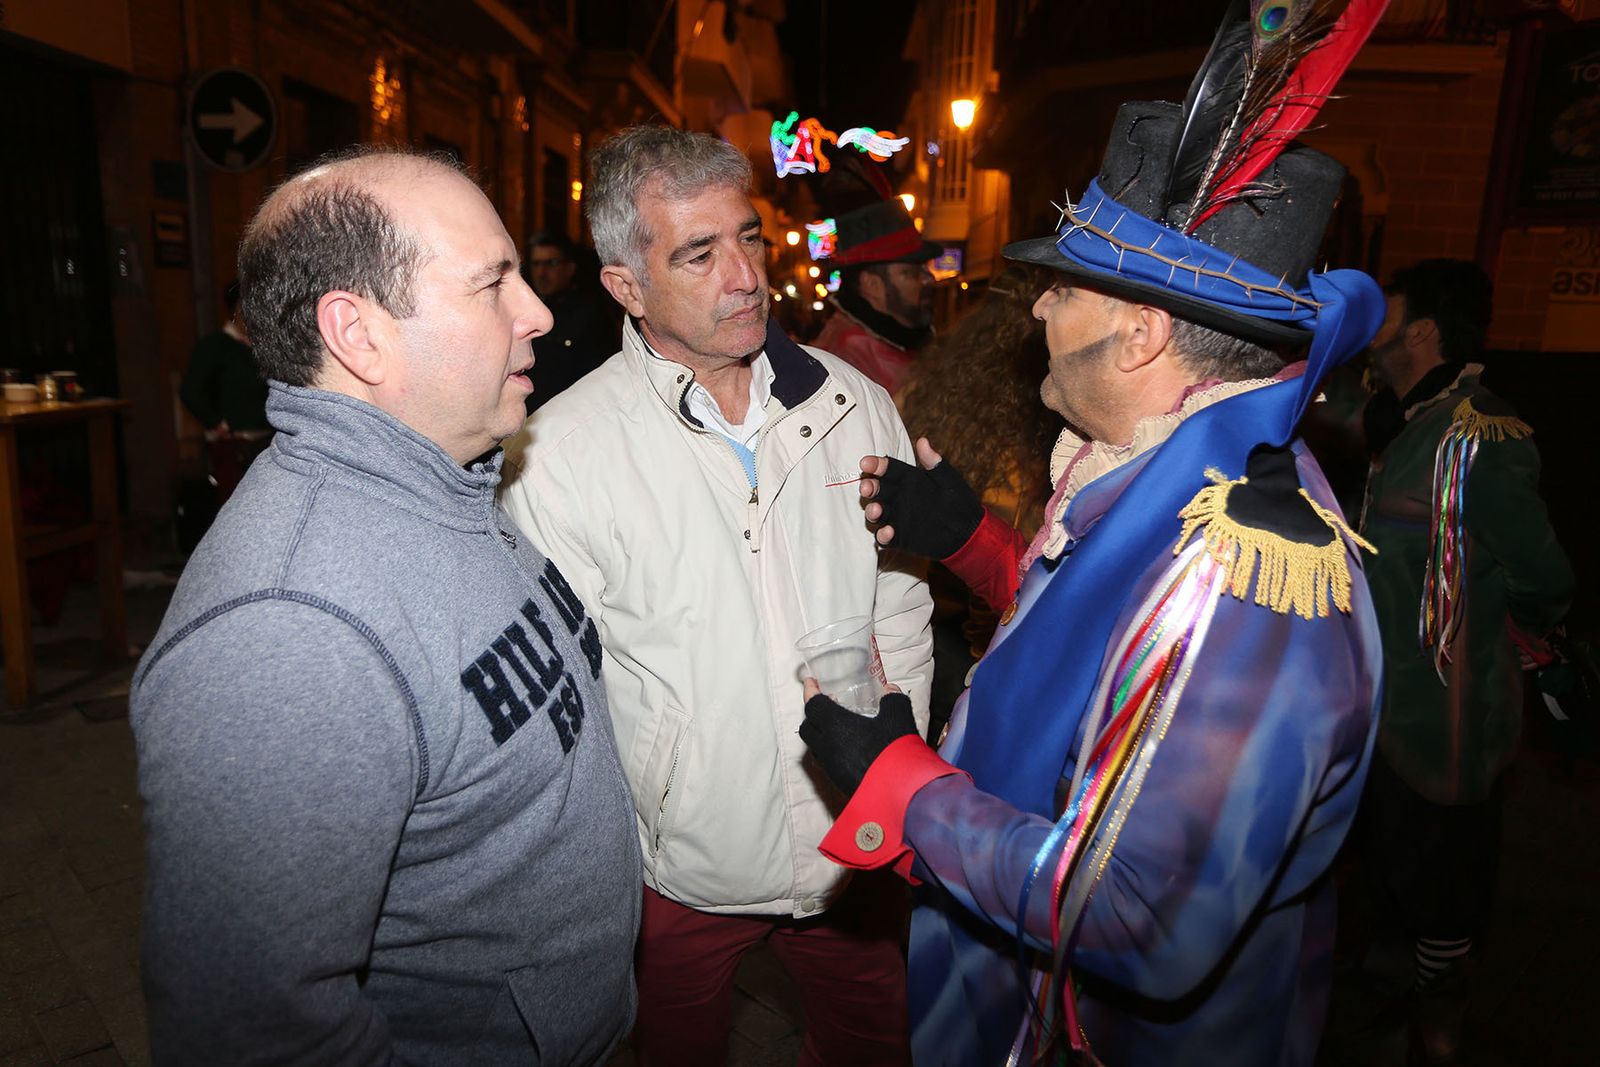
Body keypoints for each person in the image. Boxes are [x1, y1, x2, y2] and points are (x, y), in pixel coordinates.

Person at [797, 90, 1391, 1065]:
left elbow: (1143, 918)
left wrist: (899, 786)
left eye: (1066, 288)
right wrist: (969, 539)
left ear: (1141, 333)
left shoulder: (1241, 577)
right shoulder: (1167, 473)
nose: (1037, 305)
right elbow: (1101, 660)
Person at [130, 146, 642, 1065]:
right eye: (492, 283)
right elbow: (254, 1032)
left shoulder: (448, 480)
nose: (536, 311)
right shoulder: (284, 632)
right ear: (358, 334)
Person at [499, 125, 934, 1067]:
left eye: (749, 239)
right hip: (681, 867)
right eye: (698, 254)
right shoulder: (561, 454)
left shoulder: (854, 402)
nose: (744, 277)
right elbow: (559, 705)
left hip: (853, 835)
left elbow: (901, 601)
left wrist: (895, 767)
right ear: (626, 286)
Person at [1357, 258, 1574, 1060]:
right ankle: (1389, 996)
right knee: (1389, 870)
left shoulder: (1479, 434)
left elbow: (1545, 575)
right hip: (1374, 705)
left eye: (1386, 311)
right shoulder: (1398, 417)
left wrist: (1502, 636)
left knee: (1443, 884)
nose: (1372, 325)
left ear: (1422, 330)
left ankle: (1440, 1016)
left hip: (1441, 714)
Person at [894, 263, 1060, 737]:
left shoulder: (932, 384)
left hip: (926, 622)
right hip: (981, 646)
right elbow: (1019, 559)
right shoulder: (1032, 430)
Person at [812, 198, 940, 393]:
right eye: (910, 273)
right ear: (872, 285)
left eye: (925, 269)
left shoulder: (905, 339)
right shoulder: (847, 359)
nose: (928, 279)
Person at [179, 279, 272, 501]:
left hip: (267, 443)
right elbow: (190, 391)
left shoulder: (263, 346)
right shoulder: (215, 346)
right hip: (235, 447)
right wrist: (217, 423)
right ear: (235, 309)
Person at [524, 230, 621, 412]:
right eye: (536, 264)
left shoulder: (591, 315)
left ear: (569, 268)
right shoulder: (523, 310)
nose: (541, 272)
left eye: (551, 263)